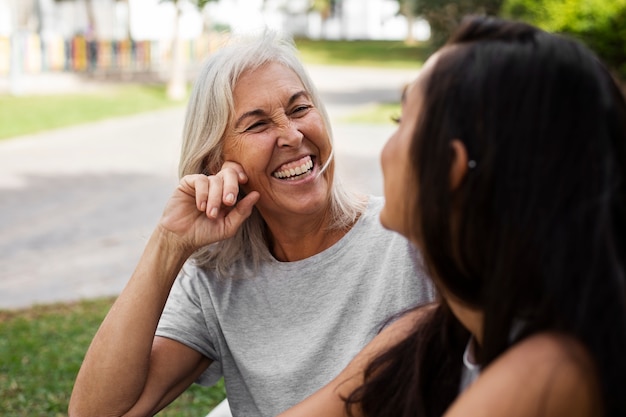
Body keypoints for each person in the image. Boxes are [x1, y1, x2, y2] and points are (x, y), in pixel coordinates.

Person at [67, 32, 435, 417]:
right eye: (258, 125)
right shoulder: (218, 277)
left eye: (299, 109)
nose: (292, 136)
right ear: (216, 164)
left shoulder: (409, 238)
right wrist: (168, 245)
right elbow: (96, 413)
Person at [277, 15, 626, 417]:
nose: (385, 147)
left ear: (449, 168)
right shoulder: (436, 336)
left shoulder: (548, 374)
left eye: (401, 121)